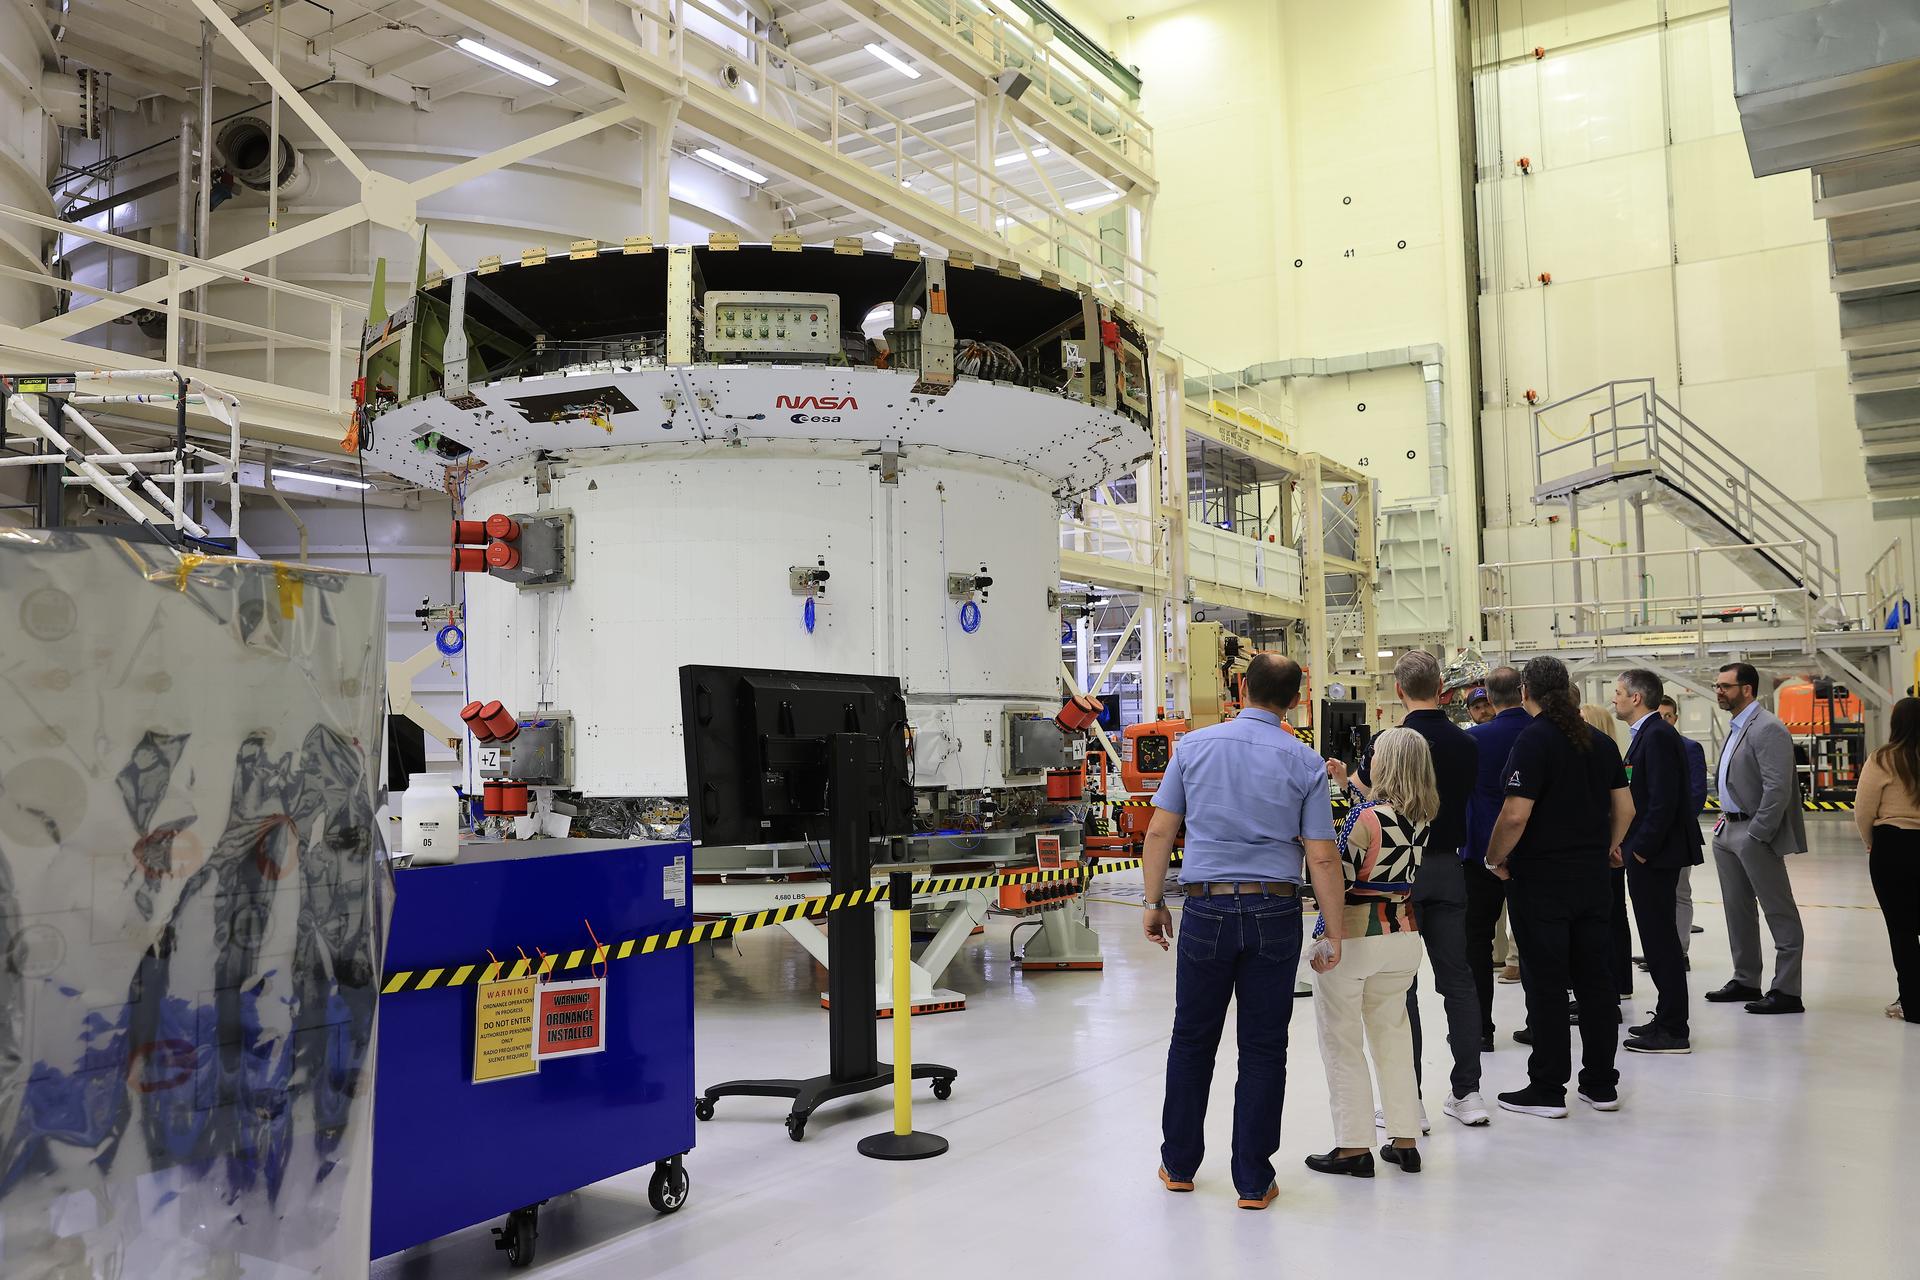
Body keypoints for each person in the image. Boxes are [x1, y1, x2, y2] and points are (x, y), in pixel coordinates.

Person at [1141, 653, 1349, 1211]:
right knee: (1262, 1050)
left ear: (1241, 688)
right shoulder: (1304, 762)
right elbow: (1323, 858)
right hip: (1273, 913)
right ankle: (1253, 1181)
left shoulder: (1193, 747)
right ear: (1296, 698)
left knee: (1191, 1042)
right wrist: (1333, 930)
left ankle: (1179, 1165)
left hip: (1206, 910)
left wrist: (1153, 901)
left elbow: (1160, 830)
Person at [1329, 651, 1486, 1129]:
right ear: (1442, 687)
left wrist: (1343, 781)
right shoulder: (1467, 744)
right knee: (1458, 979)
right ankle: (1469, 1092)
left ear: (1398, 690)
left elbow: (1374, 805)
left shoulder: (1388, 742)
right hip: (1448, 868)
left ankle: (1408, 1100)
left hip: (1398, 874)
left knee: (1403, 987)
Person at [1482, 655, 1633, 1118]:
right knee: (1595, 981)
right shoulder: (1602, 742)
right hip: (1592, 880)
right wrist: (1607, 847)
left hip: (1542, 882)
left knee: (1546, 984)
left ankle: (1547, 1087)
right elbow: (1625, 809)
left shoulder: (1534, 740)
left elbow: (1514, 815)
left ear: (1526, 692)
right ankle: (1601, 1084)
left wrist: (1494, 858)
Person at [1306, 728, 1436, 1177]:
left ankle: (1353, 1147)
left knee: (1341, 1042)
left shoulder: (1364, 819)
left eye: (1374, 753)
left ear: (1387, 763)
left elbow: (1336, 879)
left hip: (1356, 937)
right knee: (1393, 1037)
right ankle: (1404, 1139)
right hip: (1403, 935)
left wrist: (1327, 936)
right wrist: (1349, 783)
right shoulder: (1422, 816)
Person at [1708, 662, 1809, 1015]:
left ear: (1747, 689)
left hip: (1753, 831)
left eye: (1725, 686)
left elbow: (1778, 788)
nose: (1718, 691)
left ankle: (1787, 990)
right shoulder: (1736, 726)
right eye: (1717, 685)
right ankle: (1746, 978)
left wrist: (1758, 833)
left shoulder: (1768, 728)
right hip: (1728, 829)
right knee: (1738, 910)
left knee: (1779, 911)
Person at [1612, 670, 1701, 1053]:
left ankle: (1674, 1029)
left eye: (1617, 693)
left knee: (1661, 941)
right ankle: (1666, 1016)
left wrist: (1640, 849)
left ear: (1636, 698)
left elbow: (1662, 802)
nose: (1613, 699)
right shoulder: (1646, 735)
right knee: (1655, 938)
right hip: (1649, 853)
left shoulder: (1658, 736)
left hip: (1656, 856)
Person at [1464, 666, 1530, 1051]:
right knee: (1537, 940)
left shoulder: (1475, 741)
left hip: (1481, 853)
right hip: (1533, 855)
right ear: (1522, 691)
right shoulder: (1542, 735)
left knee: (1477, 942)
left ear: (1490, 694)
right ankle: (1540, 1022)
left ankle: (1480, 1029)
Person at [1853, 696, 1920, 1023]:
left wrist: (1872, 844)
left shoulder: (1883, 758)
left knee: (1902, 929)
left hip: (1893, 847)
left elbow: (1863, 809)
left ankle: (1912, 1001)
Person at [1581, 703, 1635, 1007]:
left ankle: (1613, 985)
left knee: (1610, 918)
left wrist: (1611, 844)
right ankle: (1620, 982)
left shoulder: (1599, 756)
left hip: (1606, 848)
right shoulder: (1610, 755)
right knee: (1615, 916)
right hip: (1610, 845)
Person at [1659, 694, 1709, 961]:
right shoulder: (1643, 745)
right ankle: (1661, 950)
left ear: (1676, 718)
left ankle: (1679, 951)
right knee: (1657, 896)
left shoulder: (1690, 748)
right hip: (1653, 836)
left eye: (1669, 716)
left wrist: (1671, 826)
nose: (1665, 721)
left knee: (1679, 891)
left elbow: (1697, 794)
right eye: (1660, 716)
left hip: (1678, 834)